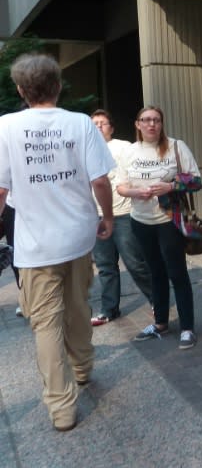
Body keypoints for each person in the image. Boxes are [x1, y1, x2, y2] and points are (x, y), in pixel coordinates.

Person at [0, 53, 115, 431]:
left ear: (20, 89)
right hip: (78, 237)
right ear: (58, 86)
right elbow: (100, 180)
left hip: (35, 246)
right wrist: (108, 216)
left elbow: (0, 190)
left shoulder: (6, 127)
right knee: (79, 305)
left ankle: (63, 408)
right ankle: (83, 367)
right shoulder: (80, 123)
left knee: (45, 324)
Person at [115, 106, 201, 350]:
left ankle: (187, 327)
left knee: (177, 273)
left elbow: (196, 180)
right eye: (146, 120)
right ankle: (161, 323)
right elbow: (121, 187)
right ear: (138, 124)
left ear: (161, 124)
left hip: (168, 221)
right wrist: (136, 192)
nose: (151, 124)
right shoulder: (129, 152)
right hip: (140, 221)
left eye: (156, 120)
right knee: (155, 273)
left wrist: (171, 186)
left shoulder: (176, 146)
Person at [89, 109, 153, 325]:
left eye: (103, 123)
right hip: (96, 217)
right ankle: (109, 309)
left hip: (124, 214)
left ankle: (157, 300)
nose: (98, 126)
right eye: (94, 123)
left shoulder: (123, 147)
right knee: (105, 266)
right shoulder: (83, 150)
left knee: (135, 263)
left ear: (111, 128)